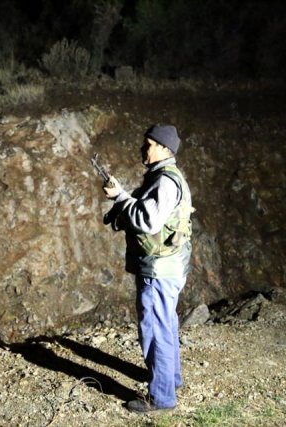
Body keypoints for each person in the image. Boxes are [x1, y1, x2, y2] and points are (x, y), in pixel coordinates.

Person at [103, 124, 193, 413]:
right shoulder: (166, 176)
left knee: (156, 329)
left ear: (166, 149)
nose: (144, 149)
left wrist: (120, 197)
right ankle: (170, 380)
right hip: (169, 264)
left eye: (150, 145)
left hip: (159, 269)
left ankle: (162, 398)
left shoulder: (165, 181)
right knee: (165, 325)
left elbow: (148, 221)